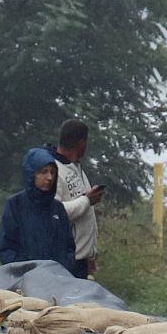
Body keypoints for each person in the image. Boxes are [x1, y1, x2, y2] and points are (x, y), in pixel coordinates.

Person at [0, 147, 78, 272]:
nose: (49, 177)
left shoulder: (58, 208)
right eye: (43, 172)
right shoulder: (15, 205)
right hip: (23, 280)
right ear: (31, 174)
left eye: (52, 172)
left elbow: (69, 248)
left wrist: (62, 270)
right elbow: (6, 249)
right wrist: (26, 271)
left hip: (57, 280)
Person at [51, 118, 104, 278]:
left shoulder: (76, 168)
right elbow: (54, 212)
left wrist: (90, 254)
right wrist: (87, 200)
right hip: (66, 262)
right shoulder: (53, 170)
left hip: (82, 261)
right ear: (82, 143)